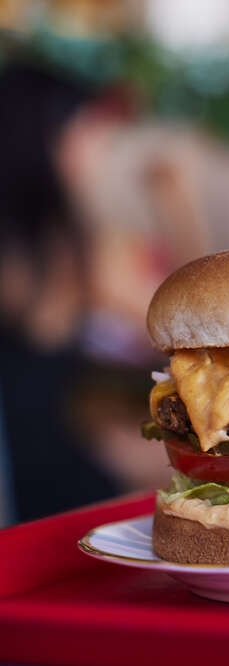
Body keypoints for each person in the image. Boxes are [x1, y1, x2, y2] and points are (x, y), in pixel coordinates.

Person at [0, 62, 120, 521]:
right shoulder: (56, 240)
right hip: (35, 471)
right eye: (87, 128)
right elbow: (160, 316)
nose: (98, 145)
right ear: (47, 135)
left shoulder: (26, 231)